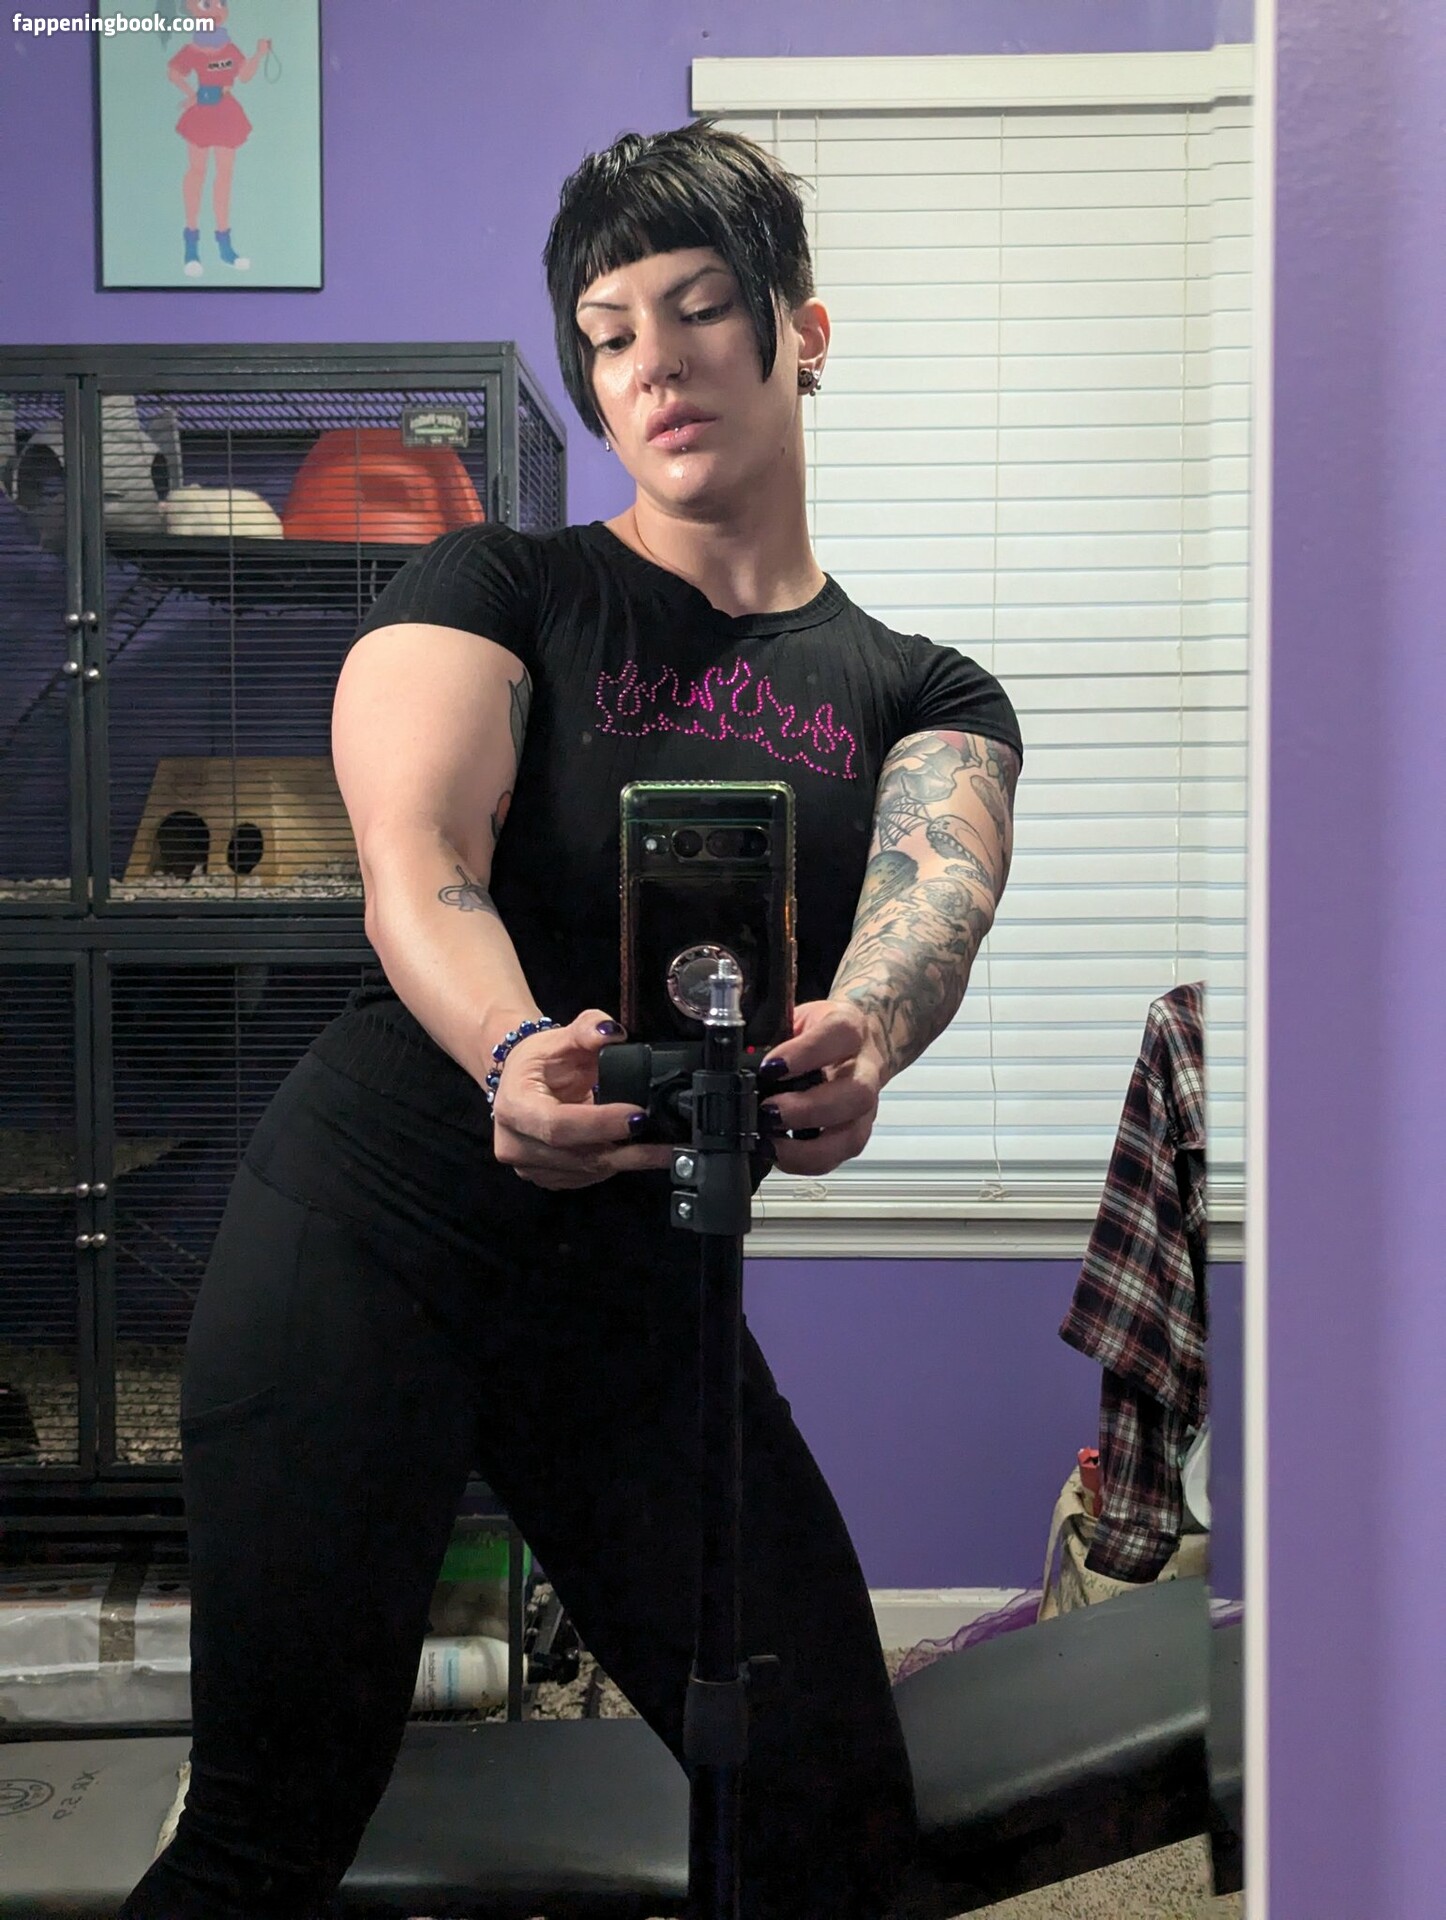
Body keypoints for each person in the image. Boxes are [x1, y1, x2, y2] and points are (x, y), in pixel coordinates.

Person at [120, 118, 1022, 1920]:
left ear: (803, 331)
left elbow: (929, 904)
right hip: (372, 1234)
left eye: (698, 309)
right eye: (609, 334)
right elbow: (416, 868)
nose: (653, 364)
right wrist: (507, 1051)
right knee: (271, 1832)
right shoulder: (496, 590)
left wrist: (864, 1035)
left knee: (836, 1814)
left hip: (634, 1301)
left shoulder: (923, 691)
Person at [166, 0, 273, 276]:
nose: (215, 10)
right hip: (201, 112)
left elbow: (244, 75)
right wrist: (191, 95)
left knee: (224, 176)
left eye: (219, 3)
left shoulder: (229, 48)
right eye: (206, 4)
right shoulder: (192, 49)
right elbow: (174, 73)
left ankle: (225, 246)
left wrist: (259, 54)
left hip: (226, 111)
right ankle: (191, 245)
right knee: (197, 172)